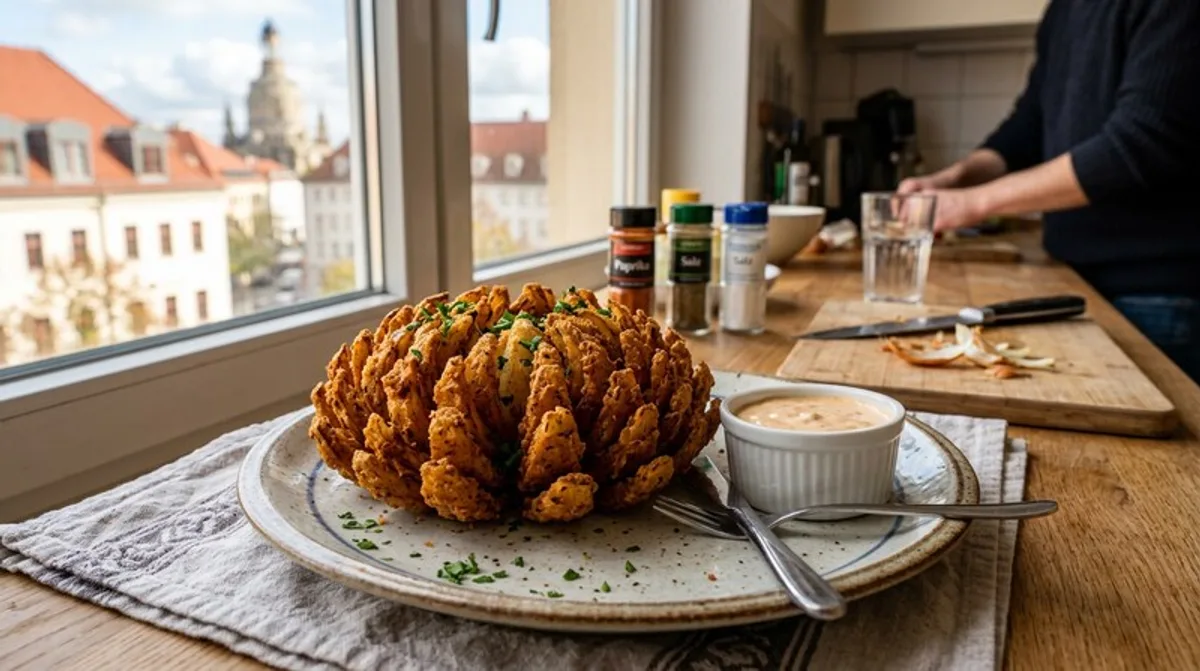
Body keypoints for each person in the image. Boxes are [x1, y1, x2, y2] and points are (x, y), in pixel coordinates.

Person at [898, 0, 1200, 383]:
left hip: (1157, 293)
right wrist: (956, 179)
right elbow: (1027, 126)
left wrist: (973, 203)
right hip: (1070, 278)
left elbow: (1140, 144)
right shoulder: (1064, 9)